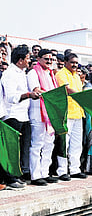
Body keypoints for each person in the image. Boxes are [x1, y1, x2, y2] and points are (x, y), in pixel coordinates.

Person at [1, 45, 40, 187]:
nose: (30, 61)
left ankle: (17, 175)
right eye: (28, 58)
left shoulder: (22, 73)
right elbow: (11, 97)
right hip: (13, 116)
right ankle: (9, 178)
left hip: (24, 116)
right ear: (20, 60)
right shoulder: (10, 74)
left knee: (23, 149)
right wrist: (29, 95)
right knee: (12, 150)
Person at [26, 49, 59, 186]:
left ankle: (45, 173)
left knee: (49, 144)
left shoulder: (51, 74)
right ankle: (35, 175)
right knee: (37, 144)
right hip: (38, 112)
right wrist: (51, 95)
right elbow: (36, 90)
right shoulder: (33, 72)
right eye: (46, 59)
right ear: (38, 58)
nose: (49, 61)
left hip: (50, 114)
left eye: (51, 59)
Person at [55, 53, 87, 180]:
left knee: (76, 144)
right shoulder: (61, 74)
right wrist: (84, 96)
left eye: (76, 63)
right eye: (72, 62)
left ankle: (75, 169)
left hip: (78, 113)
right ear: (65, 62)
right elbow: (67, 90)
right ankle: (62, 171)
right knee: (64, 143)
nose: (75, 65)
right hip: (66, 113)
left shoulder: (77, 76)